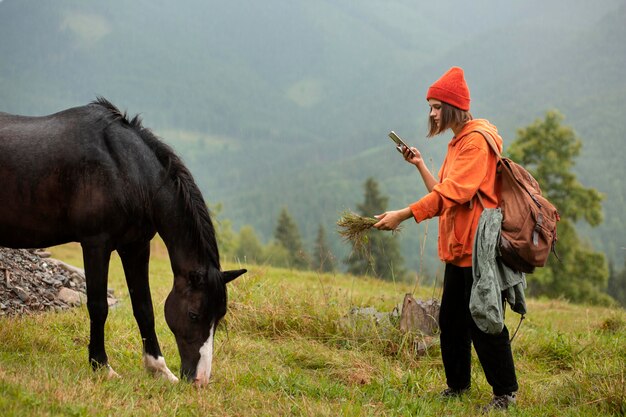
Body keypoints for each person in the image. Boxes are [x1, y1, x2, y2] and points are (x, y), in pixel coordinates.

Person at [373, 66, 518, 411]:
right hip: (457, 248)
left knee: (483, 318)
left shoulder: (476, 143)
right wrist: (421, 165)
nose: (432, 113)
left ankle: (505, 392)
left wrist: (403, 214)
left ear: (454, 107)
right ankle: (458, 386)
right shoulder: (457, 142)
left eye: (437, 107)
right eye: (430, 107)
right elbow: (444, 195)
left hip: (476, 250)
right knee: (451, 321)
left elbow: (452, 193)